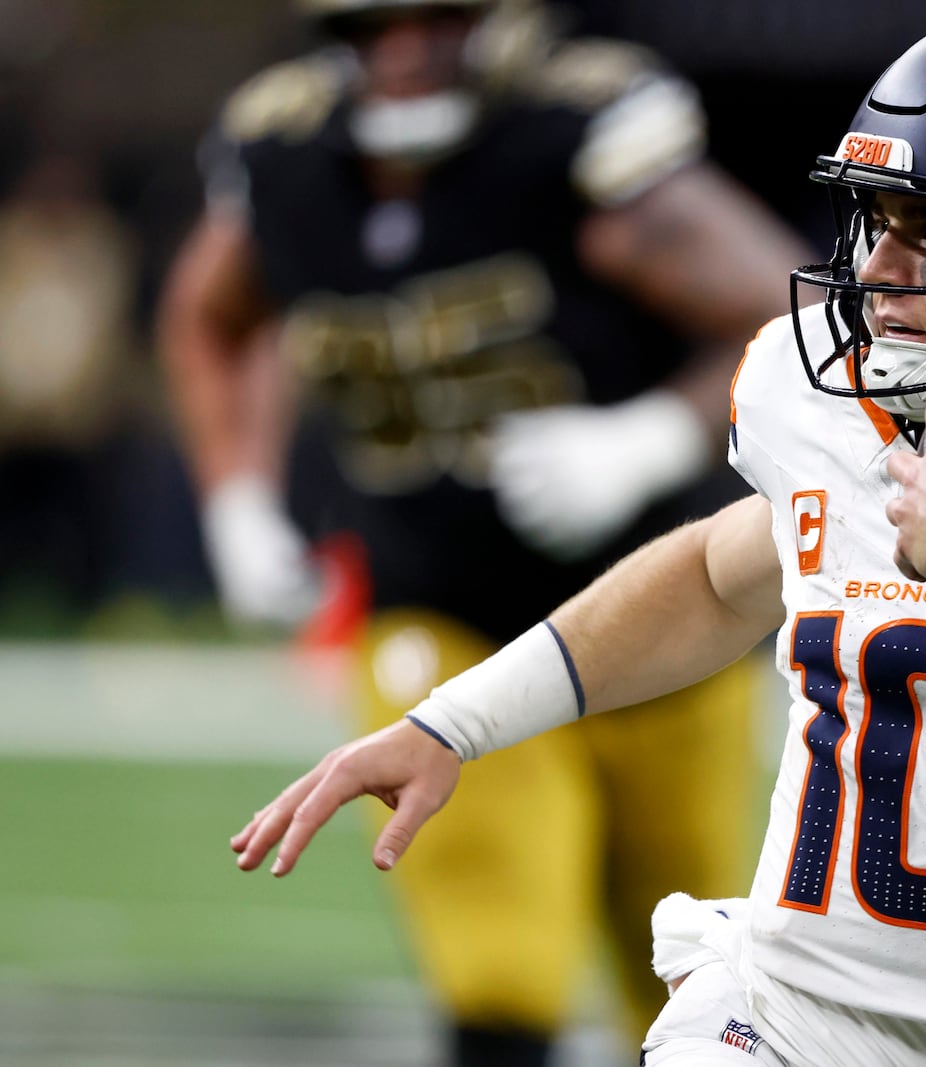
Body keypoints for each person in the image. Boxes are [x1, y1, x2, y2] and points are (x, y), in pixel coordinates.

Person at [231, 13, 926, 1066]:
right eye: (877, 223)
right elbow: (723, 573)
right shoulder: (817, 386)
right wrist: (457, 721)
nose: (878, 273)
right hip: (792, 1016)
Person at [158, 0, 815, 1062]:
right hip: (434, 607)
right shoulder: (283, 152)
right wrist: (235, 491)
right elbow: (208, 314)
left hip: (652, 628)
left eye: (435, 21)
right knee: (498, 972)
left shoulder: (572, 138)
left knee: (690, 979)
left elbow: (787, 320)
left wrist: (646, 435)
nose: (403, 54)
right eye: (372, 29)